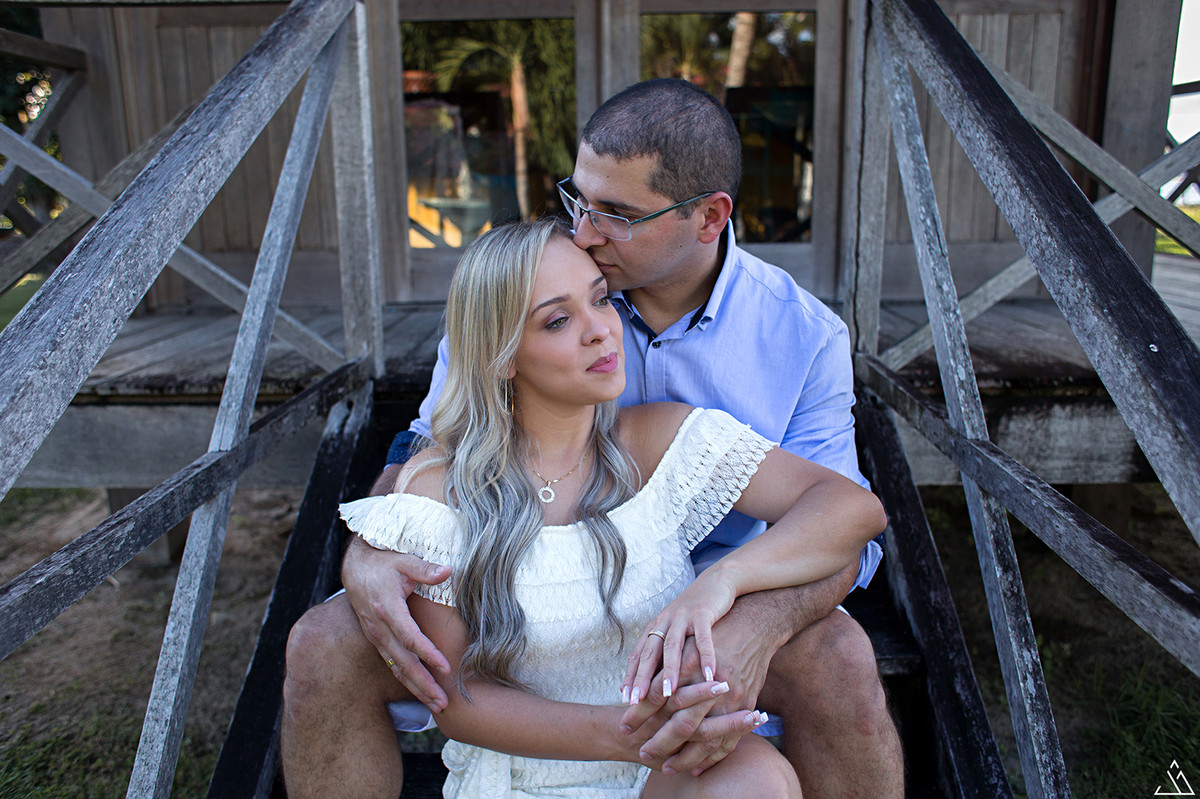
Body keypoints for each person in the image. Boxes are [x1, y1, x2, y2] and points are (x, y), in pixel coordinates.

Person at [283, 79, 904, 797]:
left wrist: (743, 616)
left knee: (838, 656)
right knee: (324, 640)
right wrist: (372, 546)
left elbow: (846, 527)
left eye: (617, 214)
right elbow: (428, 446)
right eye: (578, 200)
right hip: (512, 577)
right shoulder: (531, 285)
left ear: (709, 218)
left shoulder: (801, 336)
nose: (582, 232)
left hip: (721, 598)